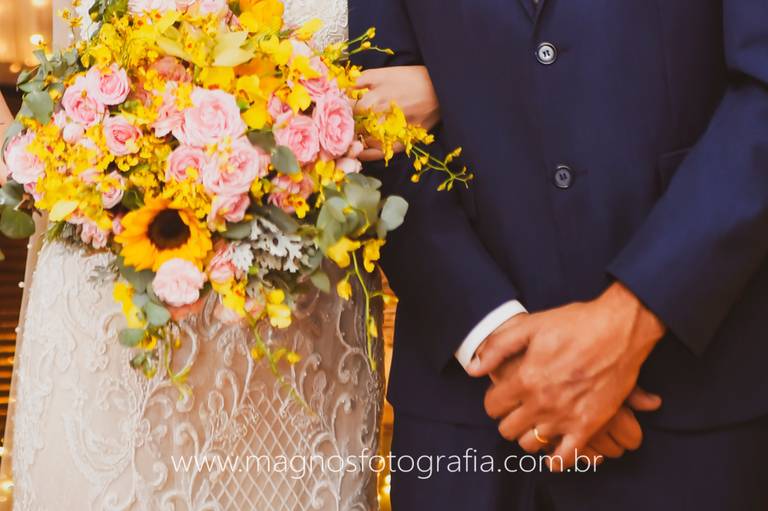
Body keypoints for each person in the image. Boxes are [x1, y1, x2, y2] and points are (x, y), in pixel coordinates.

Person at [350, 0, 768, 509]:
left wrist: (630, 320)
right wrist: (494, 335)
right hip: (463, 425)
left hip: (691, 394)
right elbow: (375, 116)